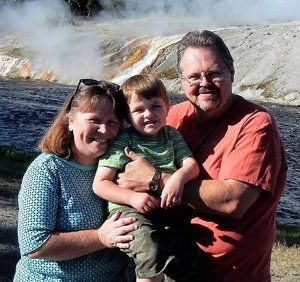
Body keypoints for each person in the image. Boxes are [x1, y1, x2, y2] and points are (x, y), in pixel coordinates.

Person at [116, 30, 288, 282]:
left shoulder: (255, 123)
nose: (204, 83)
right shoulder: (173, 116)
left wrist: (156, 180)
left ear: (231, 72)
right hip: (171, 265)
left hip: (230, 274)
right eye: (194, 76)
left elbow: (234, 201)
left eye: (214, 73)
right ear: (182, 81)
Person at [14, 79, 139, 281]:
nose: (104, 130)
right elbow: (34, 244)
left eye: (112, 122)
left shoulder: (122, 168)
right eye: (95, 120)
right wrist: (100, 237)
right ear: (70, 121)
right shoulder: (47, 169)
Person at [93, 74, 201, 282]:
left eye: (155, 106)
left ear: (168, 106)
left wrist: (178, 178)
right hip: (128, 210)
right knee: (149, 251)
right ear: (127, 115)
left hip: (163, 210)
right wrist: (132, 198)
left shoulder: (171, 135)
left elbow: (191, 165)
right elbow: (101, 184)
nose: (148, 114)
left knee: (185, 252)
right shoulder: (125, 140)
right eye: (138, 110)